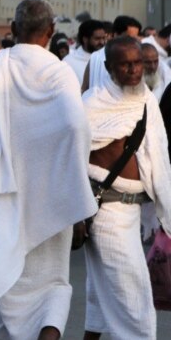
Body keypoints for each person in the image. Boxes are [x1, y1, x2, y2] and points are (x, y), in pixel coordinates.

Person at [0, 0, 96, 340]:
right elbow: (77, 127)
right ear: (50, 32)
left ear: (13, 31)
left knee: (8, 282)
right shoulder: (58, 71)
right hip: (53, 195)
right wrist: (74, 195)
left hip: (0, 197)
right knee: (55, 284)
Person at [81, 36, 171, 339]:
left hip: (131, 212)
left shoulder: (145, 99)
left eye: (138, 63)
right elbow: (68, 159)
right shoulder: (92, 104)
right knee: (134, 296)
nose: (134, 70)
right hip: (106, 211)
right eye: (125, 64)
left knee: (104, 288)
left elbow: (157, 156)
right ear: (109, 67)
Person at [84, 15, 145, 91]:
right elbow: (85, 87)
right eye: (129, 37)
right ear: (116, 34)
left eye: (135, 37)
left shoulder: (138, 56)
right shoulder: (95, 58)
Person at [65, 19, 108, 86]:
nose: (102, 42)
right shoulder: (69, 62)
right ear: (85, 39)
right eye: (97, 39)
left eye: (103, 38)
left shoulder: (108, 58)